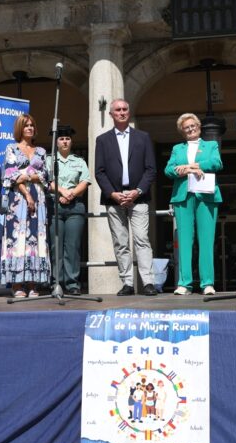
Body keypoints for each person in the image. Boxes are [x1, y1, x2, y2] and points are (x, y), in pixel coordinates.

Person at [94, 99, 157, 296]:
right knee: (120, 243)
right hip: (114, 199)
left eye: (125, 109)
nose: (121, 112)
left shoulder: (143, 137)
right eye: (118, 110)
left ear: (129, 113)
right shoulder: (102, 140)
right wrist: (113, 194)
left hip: (138, 197)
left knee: (142, 240)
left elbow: (151, 169)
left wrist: (137, 191)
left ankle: (148, 282)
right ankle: (128, 283)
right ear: (111, 114)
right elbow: (99, 172)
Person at [164, 112, 222, 296]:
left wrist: (195, 166)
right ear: (182, 131)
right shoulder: (177, 148)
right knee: (184, 241)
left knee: (206, 241)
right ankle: (185, 283)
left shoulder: (211, 145)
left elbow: (216, 162)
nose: (190, 129)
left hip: (206, 195)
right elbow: (168, 169)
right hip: (183, 196)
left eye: (193, 126)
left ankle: (207, 283)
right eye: (186, 127)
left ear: (199, 127)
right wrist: (184, 170)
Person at [1, 114, 52, 297]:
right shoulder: (11, 148)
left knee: (36, 240)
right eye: (26, 126)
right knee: (18, 240)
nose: (29, 128)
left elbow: (45, 176)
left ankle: (32, 284)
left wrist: (27, 175)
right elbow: (11, 175)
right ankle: (17, 285)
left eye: (32, 125)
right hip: (18, 201)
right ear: (19, 129)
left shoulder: (41, 151)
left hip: (39, 200)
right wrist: (27, 192)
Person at [50, 125, 91, 295]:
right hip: (55, 207)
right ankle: (56, 283)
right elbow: (48, 180)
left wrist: (71, 194)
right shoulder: (49, 160)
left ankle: (72, 283)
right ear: (56, 142)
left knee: (72, 247)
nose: (65, 141)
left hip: (75, 207)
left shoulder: (79, 161)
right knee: (56, 246)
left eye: (67, 139)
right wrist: (61, 191)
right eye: (61, 139)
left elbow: (85, 181)